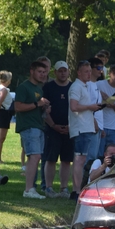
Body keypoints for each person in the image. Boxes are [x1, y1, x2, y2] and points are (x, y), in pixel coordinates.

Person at [15, 61, 50, 199]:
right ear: (32, 71)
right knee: (34, 156)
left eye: (44, 72)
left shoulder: (39, 89)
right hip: (28, 127)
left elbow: (37, 106)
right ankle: (29, 189)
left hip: (38, 126)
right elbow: (18, 107)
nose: (42, 74)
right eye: (40, 71)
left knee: (35, 157)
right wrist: (37, 104)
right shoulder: (24, 87)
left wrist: (44, 107)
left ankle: (31, 188)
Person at [69, 60, 102, 200]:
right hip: (81, 129)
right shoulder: (76, 87)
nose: (89, 74)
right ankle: (76, 191)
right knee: (79, 160)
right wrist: (90, 107)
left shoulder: (85, 86)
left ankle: (79, 189)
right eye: (86, 71)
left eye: (90, 71)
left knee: (82, 160)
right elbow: (74, 107)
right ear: (79, 72)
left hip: (86, 127)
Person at [42, 60, 73, 198]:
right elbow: (43, 110)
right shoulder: (48, 87)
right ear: (55, 72)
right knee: (51, 158)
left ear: (68, 72)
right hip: (52, 128)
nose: (62, 73)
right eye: (60, 71)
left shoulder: (73, 87)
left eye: (64, 70)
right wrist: (53, 125)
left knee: (66, 160)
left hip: (69, 128)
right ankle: (48, 187)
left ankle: (64, 187)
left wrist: (70, 127)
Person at [0, 70, 13, 163]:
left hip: (4, 112)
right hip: (3, 113)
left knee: (2, 138)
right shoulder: (3, 90)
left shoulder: (1, 88)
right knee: (1, 137)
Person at [86, 56, 105, 163]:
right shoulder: (87, 85)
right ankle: (84, 179)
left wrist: (101, 126)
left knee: (94, 158)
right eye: (98, 68)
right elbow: (88, 107)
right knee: (90, 157)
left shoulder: (96, 85)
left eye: (102, 68)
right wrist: (95, 124)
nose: (101, 70)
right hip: (91, 126)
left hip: (98, 126)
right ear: (91, 68)